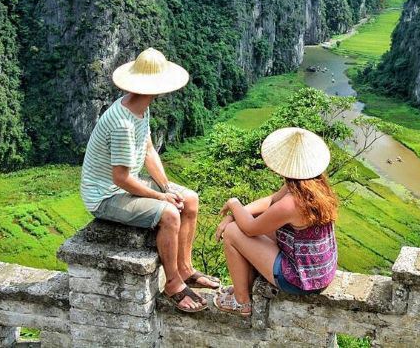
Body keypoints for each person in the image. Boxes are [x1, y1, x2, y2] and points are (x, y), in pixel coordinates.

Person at [80, 48, 220, 313]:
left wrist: (167, 187)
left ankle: (185, 268)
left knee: (189, 199)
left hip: (127, 183)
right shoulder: (123, 124)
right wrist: (160, 198)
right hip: (105, 196)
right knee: (169, 214)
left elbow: (148, 151)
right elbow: (120, 178)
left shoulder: (139, 108)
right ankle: (174, 284)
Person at [214, 127, 339, 317]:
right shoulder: (313, 186)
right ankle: (245, 286)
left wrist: (234, 204)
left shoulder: (293, 202)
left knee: (232, 232)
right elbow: (271, 201)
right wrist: (238, 213)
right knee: (247, 221)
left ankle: (241, 302)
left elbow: (249, 229)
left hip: (300, 279)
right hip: (320, 271)